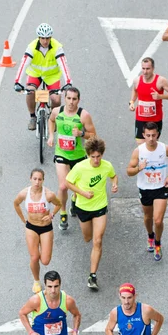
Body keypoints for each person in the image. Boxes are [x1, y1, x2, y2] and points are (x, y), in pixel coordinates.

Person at [65, 137, 118, 290]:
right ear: (88, 155)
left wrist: (114, 184)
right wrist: (81, 193)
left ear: (102, 154)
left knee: (97, 240)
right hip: (83, 207)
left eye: (98, 156)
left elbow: (113, 176)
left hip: (100, 206)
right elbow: (68, 182)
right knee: (87, 238)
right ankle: (73, 201)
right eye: (92, 157)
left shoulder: (107, 166)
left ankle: (92, 276)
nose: (96, 160)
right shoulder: (80, 168)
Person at [127, 122, 168, 261]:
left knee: (158, 220)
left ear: (158, 135)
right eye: (148, 135)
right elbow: (129, 171)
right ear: (143, 135)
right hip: (145, 188)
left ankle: (157, 242)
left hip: (161, 188)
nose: (151, 138)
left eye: (153, 135)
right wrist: (139, 168)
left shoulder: (164, 148)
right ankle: (150, 235)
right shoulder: (139, 151)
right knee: (148, 217)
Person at [47, 86, 96, 230]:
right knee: (63, 186)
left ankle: (74, 199)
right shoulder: (57, 111)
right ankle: (63, 213)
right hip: (61, 154)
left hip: (79, 156)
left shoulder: (83, 115)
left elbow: (93, 134)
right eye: (68, 98)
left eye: (74, 99)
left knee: (77, 187)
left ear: (78, 100)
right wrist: (51, 135)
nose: (71, 102)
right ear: (65, 99)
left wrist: (81, 133)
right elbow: (51, 121)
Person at [14, 23, 72, 130]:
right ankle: (32, 117)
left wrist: (68, 82)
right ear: (39, 37)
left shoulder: (57, 47)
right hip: (35, 74)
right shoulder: (31, 47)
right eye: (42, 38)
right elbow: (23, 64)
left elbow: (63, 65)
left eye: (47, 38)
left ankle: (53, 119)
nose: (45, 41)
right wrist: (17, 81)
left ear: (51, 37)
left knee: (56, 99)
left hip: (51, 75)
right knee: (30, 91)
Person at [14, 168, 61, 293]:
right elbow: (16, 203)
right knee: (34, 257)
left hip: (45, 228)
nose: (37, 182)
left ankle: (43, 248)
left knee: (45, 261)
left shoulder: (49, 194)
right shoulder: (25, 193)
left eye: (40, 179)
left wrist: (51, 215)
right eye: (35, 179)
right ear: (30, 179)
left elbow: (59, 204)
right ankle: (36, 281)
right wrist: (23, 219)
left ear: (43, 180)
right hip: (32, 227)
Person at [129, 57, 168, 144]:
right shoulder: (137, 80)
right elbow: (135, 90)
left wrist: (160, 96)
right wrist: (132, 102)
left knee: (152, 143)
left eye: (148, 69)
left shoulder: (161, 81)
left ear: (153, 68)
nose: (145, 71)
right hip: (141, 117)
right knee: (140, 143)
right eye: (143, 68)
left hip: (155, 119)